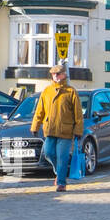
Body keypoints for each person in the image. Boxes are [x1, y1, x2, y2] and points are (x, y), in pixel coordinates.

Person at [31, 63, 83, 192]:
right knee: (48, 153)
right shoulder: (47, 91)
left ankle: (61, 182)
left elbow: (78, 114)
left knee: (62, 156)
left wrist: (78, 130)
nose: (56, 76)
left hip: (66, 131)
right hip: (50, 129)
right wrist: (35, 126)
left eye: (58, 74)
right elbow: (40, 111)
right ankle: (58, 172)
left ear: (64, 74)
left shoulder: (71, 91)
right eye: (54, 74)